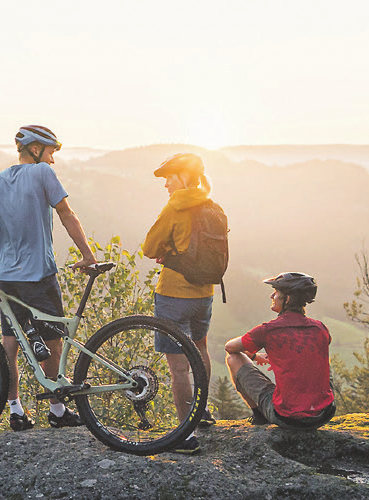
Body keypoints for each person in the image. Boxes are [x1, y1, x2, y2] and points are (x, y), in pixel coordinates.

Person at [0, 125, 98, 431]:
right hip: (39, 277)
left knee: (10, 346)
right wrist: (88, 256)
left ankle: (16, 411)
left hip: (8, 279)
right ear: (35, 149)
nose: (53, 161)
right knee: (53, 345)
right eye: (50, 152)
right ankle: (58, 409)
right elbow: (67, 214)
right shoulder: (42, 174)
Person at [141, 152, 222, 453]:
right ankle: (201, 412)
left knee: (178, 368)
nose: (166, 186)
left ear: (184, 177)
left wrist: (166, 251)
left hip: (174, 293)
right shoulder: (212, 205)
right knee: (200, 348)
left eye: (169, 179)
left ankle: (184, 434)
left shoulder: (175, 207)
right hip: (205, 293)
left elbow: (149, 247)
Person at [224, 272, 336, 429]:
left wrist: (254, 355)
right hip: (324, 413)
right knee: (322, 357)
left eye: (276, 292)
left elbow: (230, 347)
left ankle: (259, 416)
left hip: (287, 417)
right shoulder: (320, 328)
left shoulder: (268, 330)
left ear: (287, 299)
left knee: (233, 358)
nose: (272, 295)